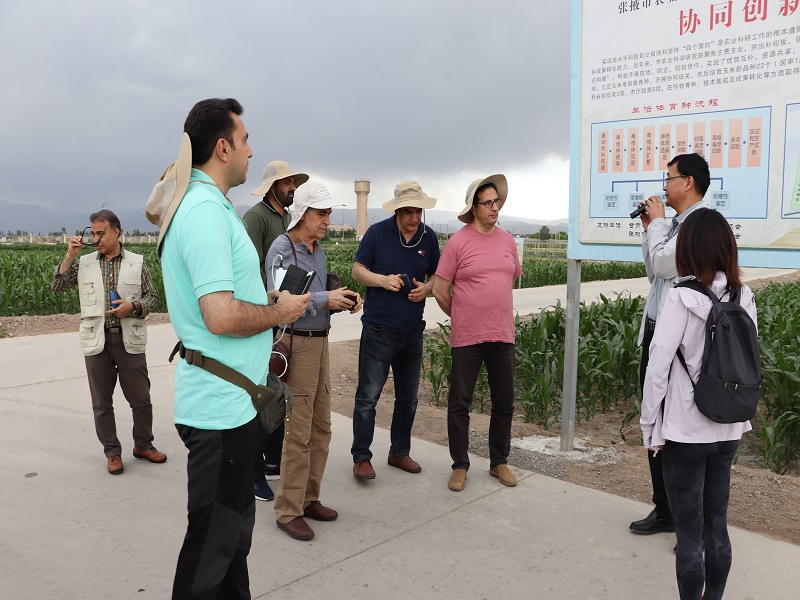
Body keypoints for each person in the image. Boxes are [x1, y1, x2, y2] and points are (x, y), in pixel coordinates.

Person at [149, 98, 309, 598]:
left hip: (234, 407)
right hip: (220, 412)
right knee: (211, 551)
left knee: (232, 542)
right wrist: (280, 314)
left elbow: (224, 300)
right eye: (245, 141)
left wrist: (267, 300)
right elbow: (218, 316)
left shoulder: (211, 206)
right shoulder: (203, 212)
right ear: (223, 148)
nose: (250, 151)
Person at [641, 208, 754, 600]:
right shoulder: (743, 295)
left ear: (689, 248)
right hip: (729, 426)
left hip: (686, 431)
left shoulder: (681, 297)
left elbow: (657, 367)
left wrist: (649, 426)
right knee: (717, 527)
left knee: (689, 536)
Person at [267, 180, 362, 541]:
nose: (327, 220)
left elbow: (317, 295)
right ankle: (288, 510)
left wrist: (343, 300)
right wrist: (326, 300)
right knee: (299, 431)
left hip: (320, 342)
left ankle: (309, 499)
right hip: (297, 346)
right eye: (321, 213)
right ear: (303, 213)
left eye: (328, 213)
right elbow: (279, 300)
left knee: (321, 427)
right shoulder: (283, 249)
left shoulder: (317, 250)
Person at [630, 152, 710, 536]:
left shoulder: (700, 225)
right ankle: (664, 509)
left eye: (669, 178)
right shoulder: (676, 225)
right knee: (655, 424)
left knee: (678, 432)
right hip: (657, 333)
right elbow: (655, 271)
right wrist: (652, 229)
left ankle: (689, 521)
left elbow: (665, 264)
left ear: (688, 182)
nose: (664, 186)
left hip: (679, 345)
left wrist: (659, 223)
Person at [52, 209, 165, 475]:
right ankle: (112, 452)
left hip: (129, 340)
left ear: (116, 232)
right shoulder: (85, 262)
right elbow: (58, 286)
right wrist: (69, 256)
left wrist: (133, 306)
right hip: (97, 341)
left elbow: (153, 297)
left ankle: (143, 445)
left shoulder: (136, 262)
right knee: (102, 404)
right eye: (92, 233)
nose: (96, 239)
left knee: (141, 400)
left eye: (100, 233)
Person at [432, 174, 521, 493]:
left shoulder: (508, 241)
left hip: (502, 334)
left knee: (504, 402)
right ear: (474, 208)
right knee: (460, 402)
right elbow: (440, 289)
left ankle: (499, 462)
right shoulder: (458, 242)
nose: (495, 207)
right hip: (468, 336)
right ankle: (460, 465)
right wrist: (462, 315)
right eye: (488, 203)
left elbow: (509, 280)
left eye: (497, 201)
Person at [350, 181, 441, 481]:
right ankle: (362, 457)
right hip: (378, 329)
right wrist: (382, 280)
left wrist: (426, 289)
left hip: (412, 330)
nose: (414, 218)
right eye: (408, 212)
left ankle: (399, 452)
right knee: (368, 397)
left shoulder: (429, 237)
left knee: (408, 398)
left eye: (418, 212)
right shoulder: (377, 233)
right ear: (397, 211)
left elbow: (437, 276)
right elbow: (357, 270)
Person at [244, 160, 309, 502]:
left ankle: (272, 459)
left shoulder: (287, 218)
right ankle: (253, 473)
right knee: (260, 394)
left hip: (282, 316)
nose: (292, 187)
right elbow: (249, 270)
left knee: (277, 389)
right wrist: (267, 309)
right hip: (263, 315)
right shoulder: (256, 218)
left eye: (294, 183)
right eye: (287, 183)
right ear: (272, 186)